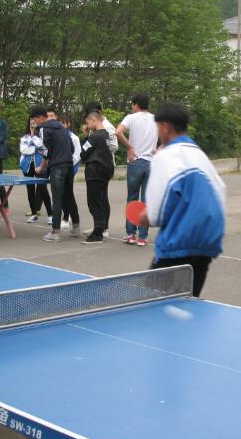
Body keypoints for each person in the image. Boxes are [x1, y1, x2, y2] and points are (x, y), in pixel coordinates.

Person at [134, 104, 226, 296]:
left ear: (165, 127)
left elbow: (155, 214)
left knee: (151, 305)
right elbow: (220, 191)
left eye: (157, 127)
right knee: (188, 301)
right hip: (207, 244)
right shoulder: (200, 155)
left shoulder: (165, 156)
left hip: (178, 243)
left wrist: (144, 216)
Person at [31, 105, 79, 241]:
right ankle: (76, 228)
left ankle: (55, 232)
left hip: (57, 167)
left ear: (40, 117)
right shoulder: (61, 127)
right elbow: (71, 147)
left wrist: (41, 168)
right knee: (69, 196)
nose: (34, 122)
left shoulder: (44, 129)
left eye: (35, 120)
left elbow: (46, 152)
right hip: (69, 166)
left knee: (57, 198)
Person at [116, 92, 157, 246]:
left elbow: (118, 132)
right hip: (151, 162)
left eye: (132, 104)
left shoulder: (131, 118)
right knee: (146, 200)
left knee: (132, 198)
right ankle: (143, 237)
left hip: (135, 161)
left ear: (136, 104)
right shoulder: (155, 119)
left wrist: (129, 147)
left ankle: (131, 234)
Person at [80, 110, 115, 244]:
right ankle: (101, 228)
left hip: (95, 171)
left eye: (88, 122)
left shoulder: (94, 137)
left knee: (94, 202)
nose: (87, 125)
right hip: (106, 169)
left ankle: (97, 234)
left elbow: (83, 154)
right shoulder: (107, 135)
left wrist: (85, 137)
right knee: (101, 200)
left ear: (93, 120)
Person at [19, 118, 51, 223]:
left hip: (40, 164)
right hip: (27, 165)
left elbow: (41, 146)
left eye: (35, 122)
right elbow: (24, 150)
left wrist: (33, 138)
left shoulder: (42, 136)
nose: (33, 123)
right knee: (30, 190)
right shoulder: (24, 137)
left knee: (43, 189)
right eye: (31, 122)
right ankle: (34, 214)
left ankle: (50, 215)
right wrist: (35, 148)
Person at [59, 115, 84, 231]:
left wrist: (67, 163)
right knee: (61, 193)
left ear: (68, 124)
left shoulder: (74, 137)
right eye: (60, 123)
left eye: (64, 123)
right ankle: (66, 216)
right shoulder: (57, 136)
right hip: (60, 168)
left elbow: (77, 154)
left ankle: (66, 217)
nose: (62, 125)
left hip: (70, 168)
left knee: (67, 193)